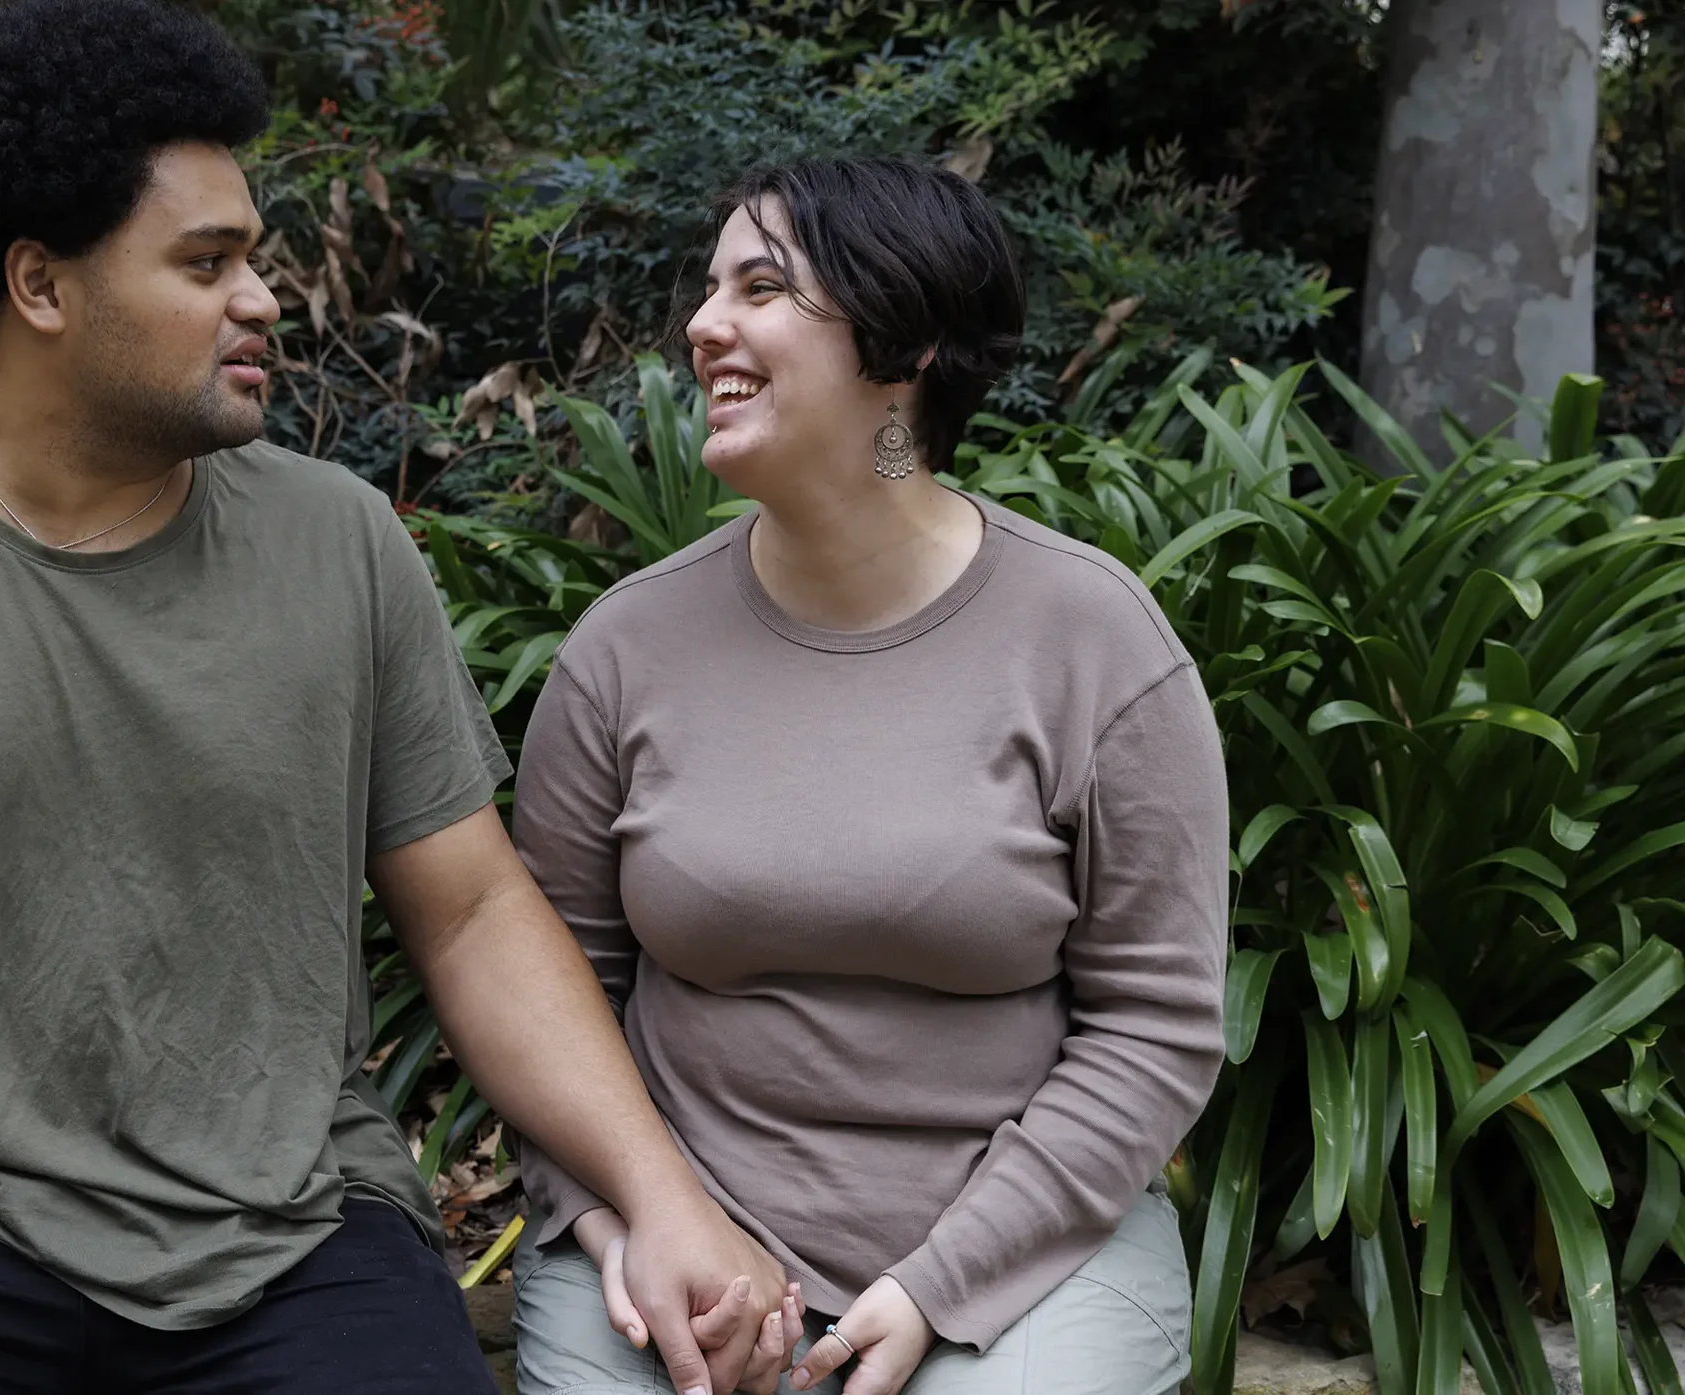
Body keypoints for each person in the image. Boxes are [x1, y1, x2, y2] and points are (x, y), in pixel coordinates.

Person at [0, 3, 784, 1392]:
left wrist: (660, 1192)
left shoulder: (339, 544)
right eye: (206, 263)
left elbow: (469, 912)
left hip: (291, 1235)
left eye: (251, 258)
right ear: (40, 285)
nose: (263, 298)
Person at [506, 157, 1231, 1395]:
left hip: (1026, 1257)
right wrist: (632, 1223)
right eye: (709, 288)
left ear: (903, 343)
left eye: (760, 287)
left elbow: (1153, 1024)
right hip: (677, 1232)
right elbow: (548, 995)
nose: (702, 325)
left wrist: (937, 1285)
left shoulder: (1093, 644)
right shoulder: (626, 651)